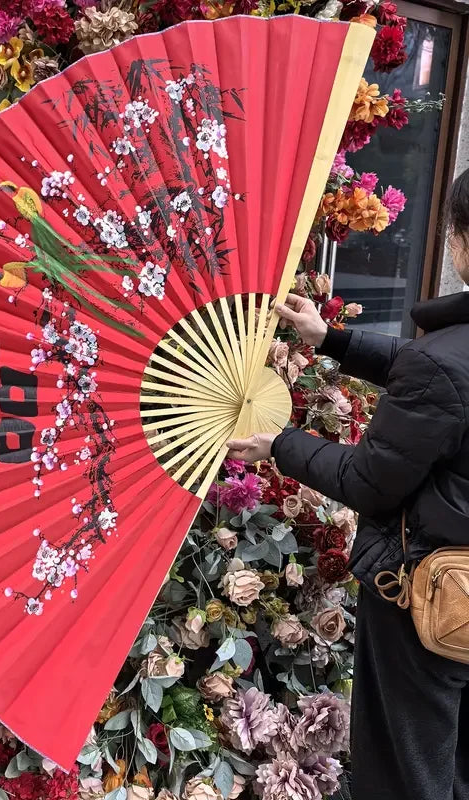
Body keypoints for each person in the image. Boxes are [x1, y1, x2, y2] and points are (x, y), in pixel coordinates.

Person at [226, 169, 469, 800]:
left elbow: (367, 481)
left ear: (461, 240)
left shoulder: (442, 363)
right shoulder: (444, 360)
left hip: (432, 597)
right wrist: (332, 339)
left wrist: (280, 445)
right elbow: (436, 379)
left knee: (405, 764)